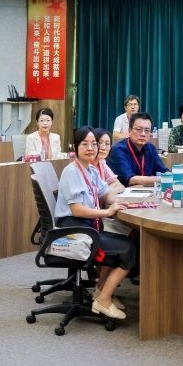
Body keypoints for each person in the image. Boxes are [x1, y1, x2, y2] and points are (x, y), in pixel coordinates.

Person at [57, 127, 140, 320]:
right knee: (128, 250)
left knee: (127, 242)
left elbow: (105, 194)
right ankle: (103, 299)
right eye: (84, 144)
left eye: (94, 144)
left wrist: (121, 203)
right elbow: (77, 210)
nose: (90, 148)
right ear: (75, 147)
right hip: (74, 229)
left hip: (88, 226)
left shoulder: (92, 170)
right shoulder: (72, 172)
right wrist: (107, 212)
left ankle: (103, 292)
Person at [106, 113, 163, 187]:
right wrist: (162, 179)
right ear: (129, 131)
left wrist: (170, 176)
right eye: (139, 129)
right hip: (123, 192)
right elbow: (130, 179)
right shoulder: (118, 150)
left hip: (145, 191)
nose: (143, 134)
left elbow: (163, 171)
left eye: (147, 130)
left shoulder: (151, 148)